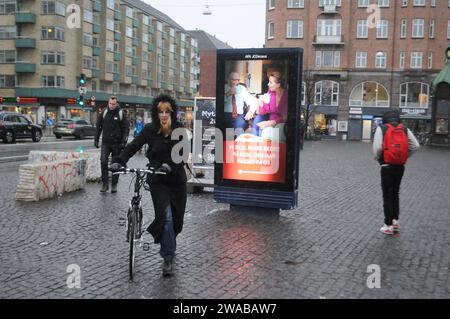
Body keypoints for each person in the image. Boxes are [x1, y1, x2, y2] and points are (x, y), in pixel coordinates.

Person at [110, 94, 187, 277]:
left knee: (176, 223)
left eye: (167, 111)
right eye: (160, 112)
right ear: (155, 113)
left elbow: (182, 155)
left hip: (176, 181)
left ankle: (169, 243)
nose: (163, 115)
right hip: (158, 181)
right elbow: (133, 146)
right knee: (166, 219)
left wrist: (169, 165)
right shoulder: (149, 129)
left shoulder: (179, 130)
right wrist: (120, 161)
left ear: (172, 113)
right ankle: (168, 258)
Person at [373, 109, 419, 235]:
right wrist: (404, 155)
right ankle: (395, 221)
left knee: (387, 195)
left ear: (385, 118)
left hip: (387, 165)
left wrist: (378, 157)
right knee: (395, 193)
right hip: (400, 166)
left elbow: (377, 147)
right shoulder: (404, 129)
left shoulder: (382, 128)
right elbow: (415, 145)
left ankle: (388, 225)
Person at [94, 96, 130, 194]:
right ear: (108, 103)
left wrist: (123, 142)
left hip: (117, 144)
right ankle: (105, 184)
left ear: (116, 104)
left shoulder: (121, 113)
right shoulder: (104, 112)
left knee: (115, 165)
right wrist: (96, 139)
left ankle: (114, 184)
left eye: (114, 104)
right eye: (110, 104)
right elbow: (98, 126)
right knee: (103, 161)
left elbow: (126, 129)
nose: (112, 106)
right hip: (105, 142)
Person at [252, 71, 288, 137]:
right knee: (264, 131)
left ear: (278, 85)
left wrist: (271, 123)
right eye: (269, 81)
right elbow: (262, 112)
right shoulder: (270, 94)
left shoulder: (286, 96)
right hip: (270, 122)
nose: (268, 84)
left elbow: (286, 116)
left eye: (271, 82)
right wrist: (261, 103)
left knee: (277, 132)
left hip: (281, 122)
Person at [224, 71, 258, 136]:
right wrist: (227, 94)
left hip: (238, 115)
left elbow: (253, 101)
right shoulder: (223, 88)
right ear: (228, 79)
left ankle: (235, 144)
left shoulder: (242, 89)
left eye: (238, 80)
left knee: (240, 125)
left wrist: (251, 112)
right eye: (234, 80)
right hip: (225, 114)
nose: (237, 82)